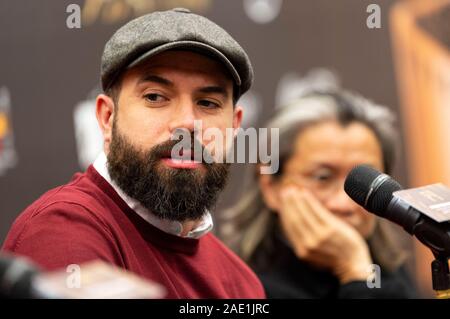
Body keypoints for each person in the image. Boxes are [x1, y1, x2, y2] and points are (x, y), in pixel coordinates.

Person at [2, 8, 265, 299]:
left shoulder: (241, 283)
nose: (187, 124)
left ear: (234, 125)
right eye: (155, 97)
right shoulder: (63, 232)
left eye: (208, 103)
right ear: (107, 118)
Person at [221, 82, 418, 298]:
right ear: (270, 187)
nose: (345, 204)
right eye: (323, 177)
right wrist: (354, 271)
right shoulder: (241, 286)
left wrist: (359, 268)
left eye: (364, 182)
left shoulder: (386, 269)